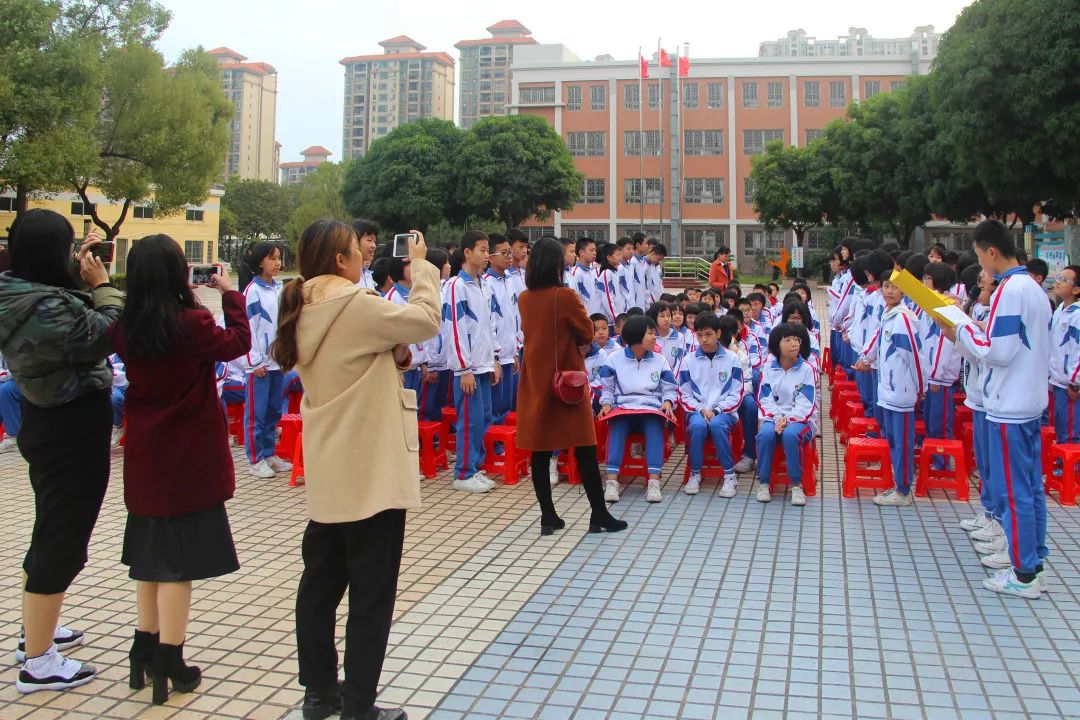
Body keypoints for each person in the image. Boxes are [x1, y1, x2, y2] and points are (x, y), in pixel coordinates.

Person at [273, 220, 440, 720]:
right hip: (373, 473)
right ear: (340, 262)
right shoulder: (355, 303)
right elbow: (426, 319)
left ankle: (319, 693)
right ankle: (359, 704)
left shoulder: (300, 305)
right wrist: (423, 267)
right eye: (357, 252)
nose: (365, 257)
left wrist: (390, 355)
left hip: (330, 471)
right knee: (371, 595)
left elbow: (363, 358)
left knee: (319, 587)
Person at [108, 234, 250, 705]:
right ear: (177, 274)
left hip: (146, 456)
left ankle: (142, 646)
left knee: (149, 557)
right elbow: (238, 344)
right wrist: (231, 292)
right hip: (188, 460)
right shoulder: (192, 322)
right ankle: (171, 657)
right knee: (177, 567)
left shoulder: (125, 327)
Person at [0, 209, 122, 693]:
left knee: (52, 528)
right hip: (68, 428)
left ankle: (38, 631)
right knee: (62, 540)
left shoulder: (21, 292)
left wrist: (80, 265)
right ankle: (38, 663)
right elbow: (104, 331)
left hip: (51, 421)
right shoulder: (43, 309)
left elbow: (65, 306)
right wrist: (104, 284)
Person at [944, 220, 1050, 599]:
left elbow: (998, 351)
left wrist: (961, 327)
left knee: (1016, 489)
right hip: (1029, 401)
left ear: (991, 252)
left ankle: (1022, 574)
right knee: (1031, 488)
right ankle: (1034, 563)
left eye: (978, 256)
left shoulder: (1011, 290)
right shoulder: (1033, 289)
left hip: (1009, 405)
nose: (980, 265)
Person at [515, 237, 627, 535]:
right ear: (554, 265)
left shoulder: (524, 298)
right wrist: (579, 343)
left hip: (536, 382)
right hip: (566, 383)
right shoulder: (563, 295)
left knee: (540, 451)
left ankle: (548, 516)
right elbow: (586, 330)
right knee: (585, 448)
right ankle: (599, 514)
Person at [861, 271, 925, 506]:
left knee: (903, 442)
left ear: (904, 291)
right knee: (894, 441)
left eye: (895, 287)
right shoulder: (889, 315)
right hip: (887, 391)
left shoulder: (904, 319)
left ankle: (904, 490)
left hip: (902, 392)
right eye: (886, 286)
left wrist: (920, 386)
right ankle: (898, 485)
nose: (889, 291)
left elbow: (915, 358)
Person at [599, 315, 678, 503]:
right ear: (636, 336)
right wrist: (607, 403)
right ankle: (612, 481)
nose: (654, 338)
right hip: (624, 407)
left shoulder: (660, 360)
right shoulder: (614, 359)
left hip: (650, 407)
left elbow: (670, 388)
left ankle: (653, 481)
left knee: (654, 424)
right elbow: (607, 388)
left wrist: (668, 401)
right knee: (617, 424)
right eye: (650, 333)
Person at [442, 231, 499, 493]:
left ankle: (475, 466)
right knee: (470, 420)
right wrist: (463, 368)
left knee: (484, 416)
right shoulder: (456, 286)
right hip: (468, 368)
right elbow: (454, 328)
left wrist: (495, 358)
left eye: (488, 250)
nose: (487, 255)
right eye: (482, 249)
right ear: (467, 253)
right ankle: (463, 472)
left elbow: (489, 326)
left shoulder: (483, 284)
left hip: (484, 364)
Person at [679, 313, 743, 497]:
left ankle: (729, 475)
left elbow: (736, 393)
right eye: (699, 335)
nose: (704, 339)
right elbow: (684, 394)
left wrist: (716, 410)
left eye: (708, 334)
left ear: (718, 333)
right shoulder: (689, 360)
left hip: (724, 411)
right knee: (697, 426)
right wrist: (700, 409)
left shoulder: (732, 359)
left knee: (717, 425)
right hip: (697, 411)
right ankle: (695, 473)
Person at [242, 241, 292, 479]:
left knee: (273, 410)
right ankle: (255, 458)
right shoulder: (252, 291)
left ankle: (270, 453)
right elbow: (248, 328)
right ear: (260, 261)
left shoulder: (278, 289)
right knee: (257, 413)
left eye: (279, 257)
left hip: (276, 362)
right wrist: (255, 361)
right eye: (272, 258)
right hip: (259, 365)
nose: (277, 263)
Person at [754, 323, 817, 506]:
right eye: (788, 340)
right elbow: (764, 398)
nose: (794, 344)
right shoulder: (768, 368)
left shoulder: (807, 369)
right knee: (765, 435)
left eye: (797, 340)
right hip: (773, 417)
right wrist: (776, 418)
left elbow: (806, 403)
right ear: (776, 344)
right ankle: (764, 483)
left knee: (790, 435)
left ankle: (796, 485)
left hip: (801, 420)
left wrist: (788, 420)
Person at [921, 263, 962, 470]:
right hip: (930, 375)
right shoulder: (929, 303)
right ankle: (934, 459)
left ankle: (942, 461)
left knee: (940, 422)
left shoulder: (947, 306)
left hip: (941, 378)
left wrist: (936, 375)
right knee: (930, 421)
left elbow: (942, 344)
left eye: (928, 279)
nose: (924, 283)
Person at [484, 234, 519, 426]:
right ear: (490, 257)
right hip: (496, 354)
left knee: (507, 403)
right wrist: (495, 355)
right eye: (504, 253)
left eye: (510, 252)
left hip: (509, 351)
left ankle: (503, 442)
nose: (509, 256)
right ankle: (494, 445)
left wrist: (514, 350)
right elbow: (490, 322)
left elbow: (513, 316)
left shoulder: (510, 280)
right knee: (495, 404)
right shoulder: (487, 283)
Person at [1049, 265, 1080, 443]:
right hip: (1058, 380)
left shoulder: (1077, 315)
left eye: (1064, 280)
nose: (1058, 281)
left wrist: (1075, 383)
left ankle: (1072, 469)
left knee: (1071, 432)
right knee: (1062, 428)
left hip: (1070, 385)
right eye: (1058, 277)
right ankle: (1063, 467)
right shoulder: (1060, 309)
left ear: (1076, 289)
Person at [0, 353, 23, 453]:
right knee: (3, 389)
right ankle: (11, 438)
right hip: (11, 379)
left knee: (6, 390)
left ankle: (15, 438)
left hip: (29, 378)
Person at [350, 219, 380, 291]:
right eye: (369, 240)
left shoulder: (368, 275)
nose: (374, 246)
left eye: (374, 241)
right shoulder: (348, 275)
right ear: (355, 240)